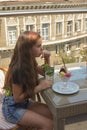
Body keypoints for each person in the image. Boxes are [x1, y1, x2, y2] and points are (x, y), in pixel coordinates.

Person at [2, 31, 53, 130]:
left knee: (52, 113)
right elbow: (17, 98)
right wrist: (40, 87)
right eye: (38, 46)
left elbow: (45, 73)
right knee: (48, 124)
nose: (42, 48)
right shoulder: (18, 69)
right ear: (28, 49)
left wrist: (47, 58)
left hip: (24, 103)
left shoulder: (29, 61)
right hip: (12, 109)